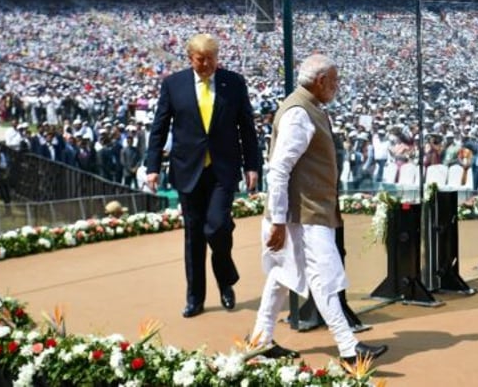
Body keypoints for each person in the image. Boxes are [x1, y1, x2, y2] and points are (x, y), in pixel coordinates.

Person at [251, 54, 387, 365]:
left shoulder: (308, 107)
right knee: (324, 275)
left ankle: (260, 338)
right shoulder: (300, 113)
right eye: (335, 81)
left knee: (281, 275)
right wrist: (278, 219)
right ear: (321, 80)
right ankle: (349, 348)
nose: (337, 87)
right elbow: (279, 169)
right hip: (303, 214)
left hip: (304, 211)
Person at [145, 33, 261, 318]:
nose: (207, 64)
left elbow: (246, 126)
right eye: (201, 59)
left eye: (211, 58)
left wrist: (252, 165)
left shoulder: (233, 83)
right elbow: (159, 127)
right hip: (187, 169)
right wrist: (152, 167)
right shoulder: (174, 85)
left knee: (218, 226)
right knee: (194, 236)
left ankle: (225, 279)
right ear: (190, 58)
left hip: (223, 169)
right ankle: (195, 298)